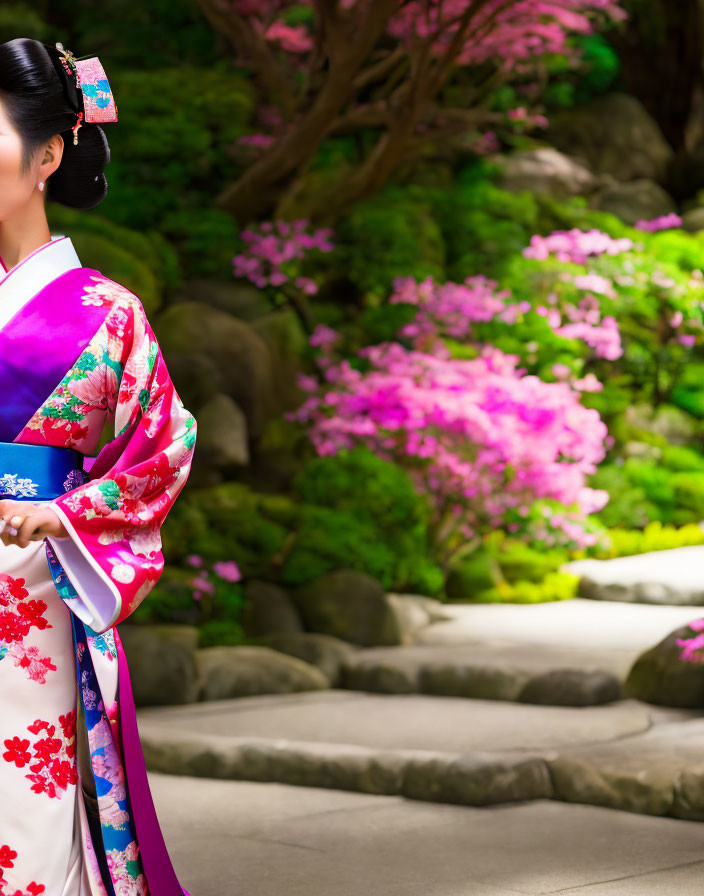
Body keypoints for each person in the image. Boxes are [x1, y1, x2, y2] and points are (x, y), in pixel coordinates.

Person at [0, 37, 197, 895]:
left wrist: (68, 513)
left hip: (33, 590)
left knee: (28, 814)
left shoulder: (109, 315)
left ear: (47, 155)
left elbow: (164, 447)